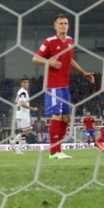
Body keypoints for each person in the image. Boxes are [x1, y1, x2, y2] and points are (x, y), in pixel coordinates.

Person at [33, 14, 95, 159]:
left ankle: (59, 149)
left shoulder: (70, 41)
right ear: (55, 26)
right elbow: (35, 58)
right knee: (57, 115)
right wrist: (48, 62)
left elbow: (70, 59)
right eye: (60, 23)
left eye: (65, 23)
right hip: (53, 85)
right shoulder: (49, 42)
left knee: (66, 118)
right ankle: (53, 152)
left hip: (65, 86)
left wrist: (83, 72)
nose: (63, 26)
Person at [10, 77, 37, 154]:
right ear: (21, 84)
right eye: (24, 82)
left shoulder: (20, 91)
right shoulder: (23, 92)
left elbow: (15, 102)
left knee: (24, 131)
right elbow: (22, 104)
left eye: (27, 82)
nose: (26, 84)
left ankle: (14, 141)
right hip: (23, 115)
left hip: (19, 114)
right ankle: (18, 147)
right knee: (26, 132)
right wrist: (32, 108)